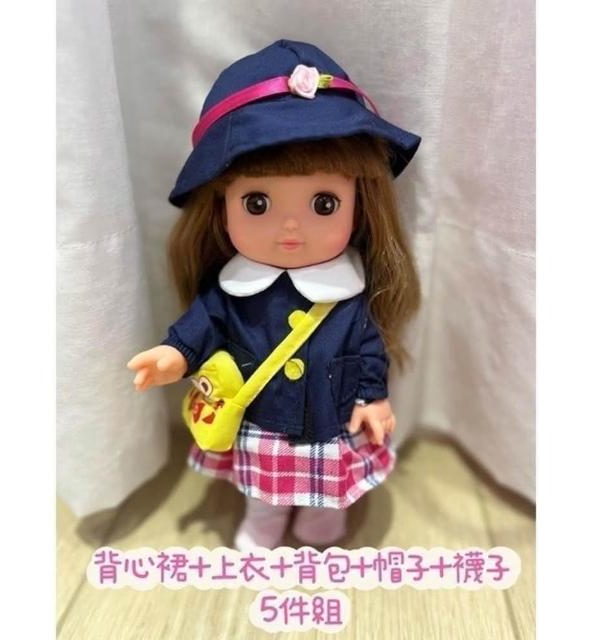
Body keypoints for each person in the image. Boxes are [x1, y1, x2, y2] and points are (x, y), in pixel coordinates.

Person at [127, 39, 421, 550]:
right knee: (263, 494)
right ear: (221, 205)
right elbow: (206, 322)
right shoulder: (234, 287)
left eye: (324, 204)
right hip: (261, 419)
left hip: (330, 418)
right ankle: (264, 524)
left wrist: (373, 398)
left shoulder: (347, 292)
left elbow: (367, 347)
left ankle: (321, 525)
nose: (290, 228)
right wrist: (175, 355)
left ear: (359, 204)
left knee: (325, 495)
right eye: (257, 203)